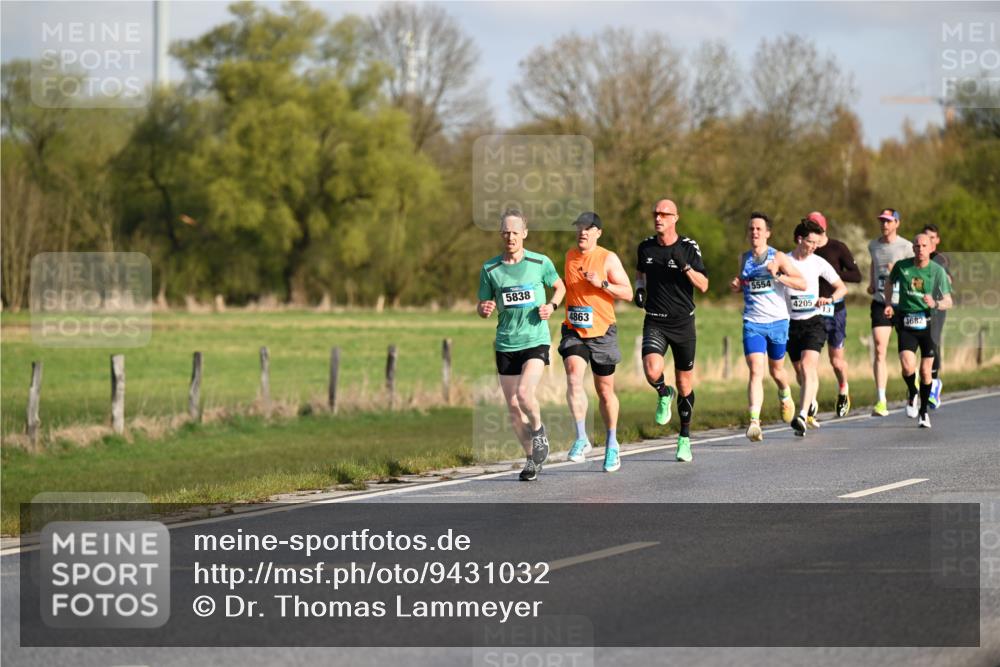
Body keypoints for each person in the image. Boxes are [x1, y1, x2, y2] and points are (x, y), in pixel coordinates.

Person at [477, 209, 566, 481]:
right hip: (506, 343)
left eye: (515, 232)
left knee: (525, 394)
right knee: (513, 408)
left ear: (524, 234)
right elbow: (481, 306)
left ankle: (539, 432)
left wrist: (551, 306)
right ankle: (531, 460)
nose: (510, 237)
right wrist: (485, 308)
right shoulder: (490, 269)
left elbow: (560, 287)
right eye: (505, 232)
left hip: (535, 340)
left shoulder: (540, 262)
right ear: (500, 234)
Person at [634, 199, 709, 463]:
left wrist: (685, 266)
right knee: (652, 370)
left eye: (664, 214)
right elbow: (640, 273)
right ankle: (663, 393)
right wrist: (640, 289)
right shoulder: (645, 246)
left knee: (685, 383)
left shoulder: (688, 248)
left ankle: (684, 438)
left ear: (675, 218)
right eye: (656, 213)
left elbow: (704, 285)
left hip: (683, 324)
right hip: (655, 321)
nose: (658, 218)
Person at [559, 212, 633, 472]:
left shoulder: (607, 257)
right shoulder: (569, 256)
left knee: (604, 391)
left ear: (598, 233)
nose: (582, 232)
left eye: (588, 228)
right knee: (573, 375)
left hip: (603, 332)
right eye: (579, 227)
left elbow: (628, 292)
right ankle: (581, 437)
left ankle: (612, 443)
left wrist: (601, 283)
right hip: (574, 330)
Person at [730, 212, 806, 442]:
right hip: (753, 322)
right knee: (755, 370)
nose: (754, 232)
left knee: (777, 371)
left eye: (759, 229)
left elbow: (801, 283)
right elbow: (744, 283)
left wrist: (780, 276)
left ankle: (784, 393)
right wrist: (737, 284)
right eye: (751, 229)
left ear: (768, 233)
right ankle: (754, 421)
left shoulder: (779, 257)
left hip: (778, 322)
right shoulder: (744, 258)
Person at [784, 219, 848, 437]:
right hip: (790, 324)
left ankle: (801, 415)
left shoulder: (818, 262)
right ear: (799, 239)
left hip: (814, 321)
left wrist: (829, 299)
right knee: (800, 373)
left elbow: (842, 288)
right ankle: (809, 400)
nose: (813, 246)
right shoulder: (785, 260)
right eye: (810, 242)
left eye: (815, 243)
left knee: (808, 365)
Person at [883, 233, 952, 428]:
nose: (920, 249)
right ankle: (913, 393)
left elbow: (949, 301)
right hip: (906, 321)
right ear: (912, 248)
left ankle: (923, 413)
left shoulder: (937, 271)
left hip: (929, 324)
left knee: (925, 371)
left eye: (924, 246)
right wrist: (888, 303)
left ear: (931, 248)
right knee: (907, 366)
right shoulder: (902, 267)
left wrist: (936, 302)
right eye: (916, 246)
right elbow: (889, 283)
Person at [808, 211, 862, 417]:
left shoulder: (837, 248)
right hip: (812, 310)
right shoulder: (805, 251)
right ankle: (811, 401)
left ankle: (843, 389)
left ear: (824, 228)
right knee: (809, 360)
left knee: (836, 361)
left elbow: (856, 276)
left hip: (835, 309)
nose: (813, 233)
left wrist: (832, 273)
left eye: (816, 228)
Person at [867, 208, 914, 417]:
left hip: (903, 304)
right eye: (882, 221)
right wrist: (870, 282)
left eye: (888, 221)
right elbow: (873, 264)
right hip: (880, 301)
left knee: (907, 357)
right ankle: (881, 400)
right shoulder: (873, 245)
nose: (884, 225)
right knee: (879, 349)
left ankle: (913, 389)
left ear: (897, 223)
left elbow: (916, 272)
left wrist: (899, 269)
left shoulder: (906, 246)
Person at [922, 223, 952, 408]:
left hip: (938, 307)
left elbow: (948, 279)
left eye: (933, 238)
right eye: (927, 237)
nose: (929, 241)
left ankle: (934, 382)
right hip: (919, 306)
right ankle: (923, 381)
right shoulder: (916, 257)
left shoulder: (940, 259)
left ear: (937, 241)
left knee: (933, 341)